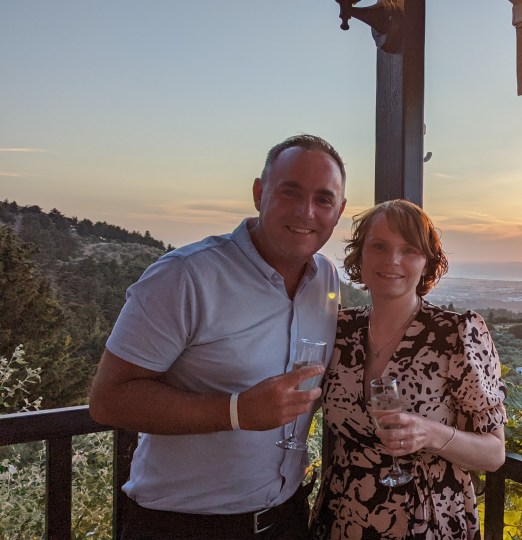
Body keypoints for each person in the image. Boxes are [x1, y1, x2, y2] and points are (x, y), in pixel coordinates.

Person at [88, 133, 348, 539]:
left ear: (339, 211)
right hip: (182, 526)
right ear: (259, 193)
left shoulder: (325, 279)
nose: (306, 212)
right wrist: (236, 411)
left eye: (323, 199)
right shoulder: (185, 276)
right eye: (289, 192)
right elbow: (108, 400)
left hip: (287, 518)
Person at [310, 199, 507, 539]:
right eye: (379, 247)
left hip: (427, 521)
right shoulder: (339, 331)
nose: (393, 261)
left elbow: (494, 453)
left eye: (409, 250)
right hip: (343, 517)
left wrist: (429, 433)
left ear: (428, 261)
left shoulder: (456, 335)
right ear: (360, 256)